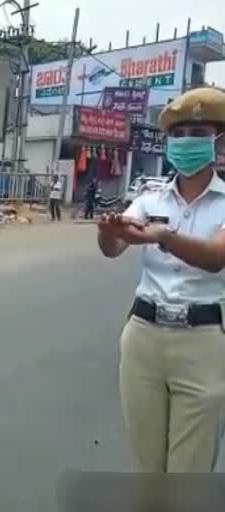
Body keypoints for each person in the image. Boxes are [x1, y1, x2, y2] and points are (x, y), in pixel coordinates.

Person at [97, 87, 225, 472]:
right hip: (143, 336)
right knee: (147, 467)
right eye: (179, 134)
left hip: (203, 342)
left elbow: (217, 258)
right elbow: (113, 248)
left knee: (189, 470)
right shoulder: (151, 197)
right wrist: (109, 230)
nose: (186, 143)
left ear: (219, 142)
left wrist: (164, 237)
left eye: (198, 134)